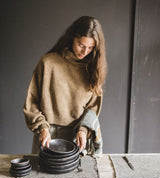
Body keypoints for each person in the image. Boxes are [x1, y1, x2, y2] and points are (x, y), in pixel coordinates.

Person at [23, 16, 107, 155]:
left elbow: (93, 107)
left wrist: (83, 130)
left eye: (90, 48)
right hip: (47, 135)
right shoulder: (48, 63)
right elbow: (31, 103)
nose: (85, 52)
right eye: (81, 44)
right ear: (73, 37)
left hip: (77, 138)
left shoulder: (93, 69)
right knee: (42, 175)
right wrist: (43, 128)